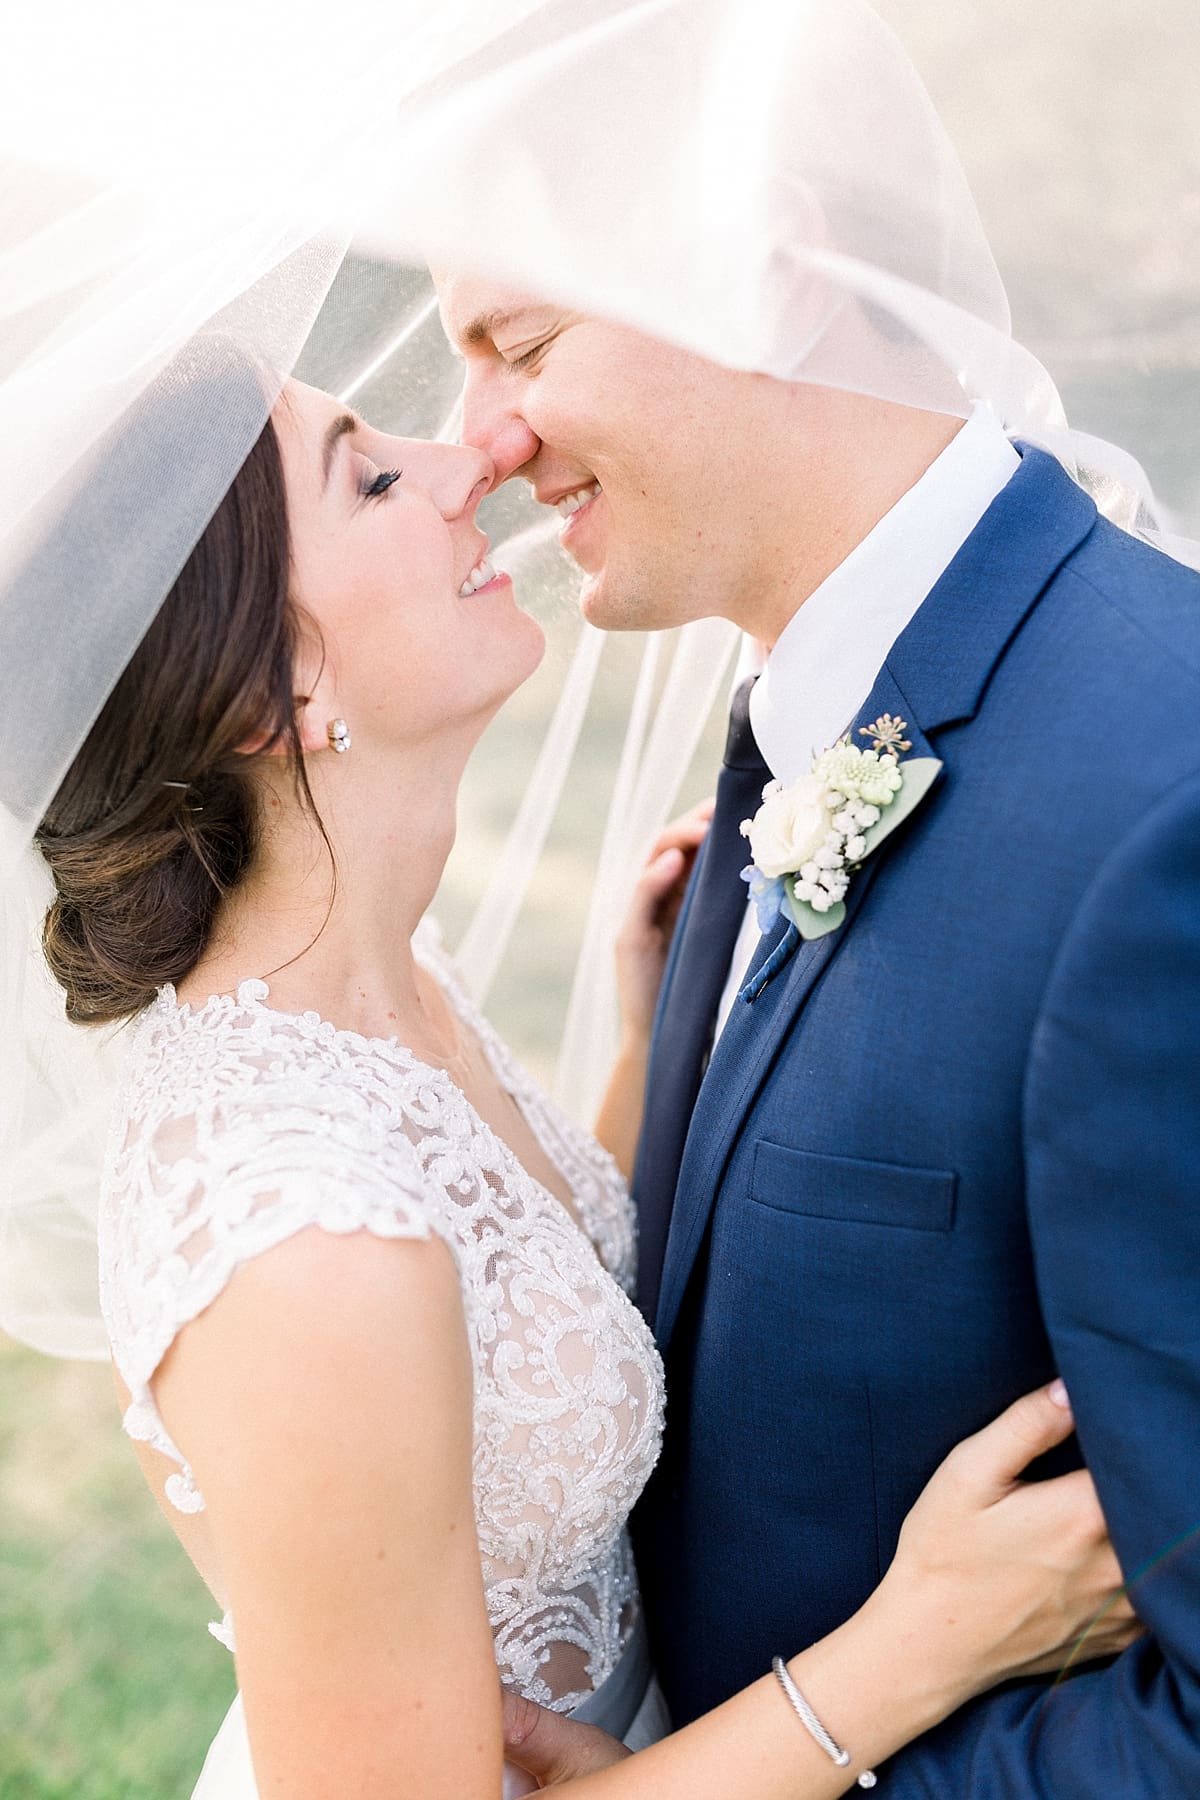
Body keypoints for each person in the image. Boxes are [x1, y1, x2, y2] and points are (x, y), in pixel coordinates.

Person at [29, 354, 1135, 1799]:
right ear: (267, 695)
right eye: (370, 476)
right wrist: (929, 1638)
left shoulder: (380, 994)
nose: (464, 460)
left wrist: (637, 1056)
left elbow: (508, 1346)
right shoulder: (290, 1233)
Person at [435, 213, 1200, 1796]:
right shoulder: (803, 715)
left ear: (752, 267)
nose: (480, 444)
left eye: (522, 346)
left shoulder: (1161, 794)